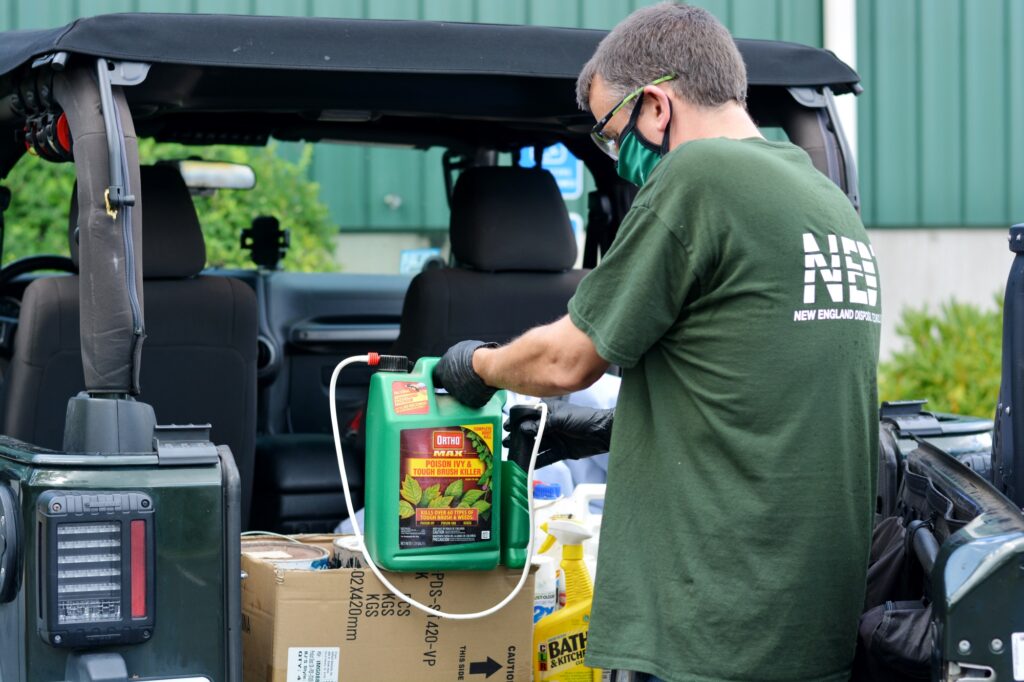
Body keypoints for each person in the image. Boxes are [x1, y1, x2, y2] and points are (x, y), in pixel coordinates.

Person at [434, 3, 881, 681]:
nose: (616, 152)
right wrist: (623, 428)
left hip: (707, 632)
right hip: (806, 626)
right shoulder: (822, 198)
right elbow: (757, 384)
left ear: (656, 107)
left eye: (611, 131)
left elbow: (564, 362)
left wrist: (477, 366)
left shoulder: (700, 178)